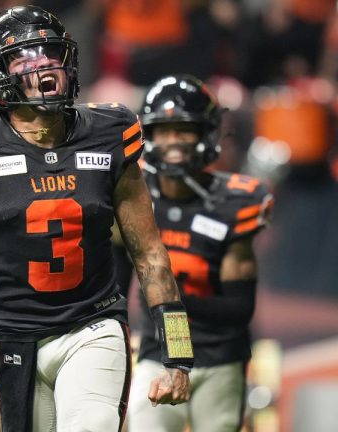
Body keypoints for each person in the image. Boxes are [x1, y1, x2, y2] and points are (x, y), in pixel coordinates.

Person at [0, 6, 194, 432]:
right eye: (27, 59)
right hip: (12, 334)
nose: (45, 68)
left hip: (94, 324)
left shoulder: (109, 134)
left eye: (51, 55)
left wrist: (179, 353)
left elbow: (151, 254)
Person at [127, 75, 272, 432]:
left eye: (184, 130)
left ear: (205, 134)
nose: (173, 141)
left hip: (219, 353)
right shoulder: (132, 193)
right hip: (158, 351)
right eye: (164, 130)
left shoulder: (235, 203)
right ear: (148, 135)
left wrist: (168, 302)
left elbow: (239, 308)